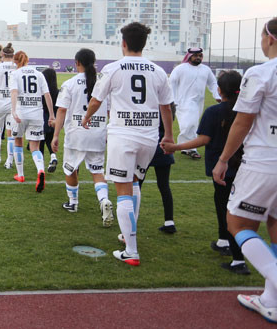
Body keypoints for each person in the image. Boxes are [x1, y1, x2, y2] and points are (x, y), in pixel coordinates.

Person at [83, 22, 174, 266]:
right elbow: (166, 107)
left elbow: (96, 100)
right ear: (144, 43)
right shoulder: (157, 71)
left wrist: (86, 118)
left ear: (123, 43)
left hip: (123, 135)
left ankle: (131, 251)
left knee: (123, 189)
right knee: (134, 183)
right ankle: (127, 234)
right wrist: (169, 135)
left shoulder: (113, 68)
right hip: (149, 136)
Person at [212, 18, 277, 318]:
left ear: (270, 38)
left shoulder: (262, 72)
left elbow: (243, 120)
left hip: (265, 161)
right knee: (275, 225)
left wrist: (224, 159)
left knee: (236, 223)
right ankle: (270, 300)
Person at [163, 71, 250, 274]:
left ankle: (238, 260)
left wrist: (175, 147)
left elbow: (203, 139)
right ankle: (223, 241)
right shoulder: (247, 111)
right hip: (244, 167)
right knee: (225, 206)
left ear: (219, 91)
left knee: (227, 210)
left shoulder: (214, 112)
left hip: (223, 168)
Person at [52, 48, 113, 226]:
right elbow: (110, 110)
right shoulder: (103, 84)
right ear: (94, 62)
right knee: (97, 171)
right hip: (98, 134)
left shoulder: (70, 84)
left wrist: (56, 135)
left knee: (70, 169)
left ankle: (73, 203)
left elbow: (62, 110)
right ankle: (103, 201)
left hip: (76, 134)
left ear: (77, 63)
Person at [10, 51, 55, 191]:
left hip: (21, 113)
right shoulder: (39, 74)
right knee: (35, 147)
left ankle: (21, 174)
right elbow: (47, 95)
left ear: (15, 61)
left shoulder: (15, 74)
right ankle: (40, 170)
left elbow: (14, 92)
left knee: (18, 140)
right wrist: (52, 115)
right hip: (37, 114)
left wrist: (13, 110)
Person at [169, 47, 221, 159]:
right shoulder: (180, 69)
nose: (198, 57)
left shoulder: (206, 69)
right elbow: (171, 84)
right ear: (189, 56)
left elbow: (212, 83)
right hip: (183, 102)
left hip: (199, 103)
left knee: (191, 125)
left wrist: (217, 95)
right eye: (195, 55)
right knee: (189, 124)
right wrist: (172, 100)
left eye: (200, 56)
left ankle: (185, 148)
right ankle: (191, 149)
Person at [145, 106, 177, 234]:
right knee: (164, 186)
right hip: (163, 146)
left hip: (148, 144)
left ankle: (131, 218)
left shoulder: (152, 101)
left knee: (137, 184)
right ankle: (169, 221)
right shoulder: (168, 104)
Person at [41, 68, 59, 172]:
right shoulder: (58, 92)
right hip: (54, 120)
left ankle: (41, 164)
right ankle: (53, 157)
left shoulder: (43, 92)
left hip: (43, 118)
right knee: (50, 139)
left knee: (40, 142)